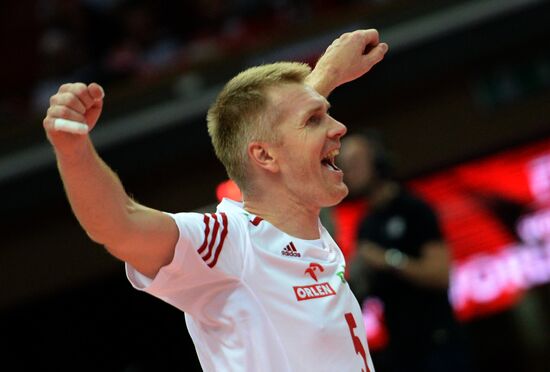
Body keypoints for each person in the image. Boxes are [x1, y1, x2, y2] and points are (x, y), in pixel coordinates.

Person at [42, 30, 388, 371]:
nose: (339, 127)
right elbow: (119, 223)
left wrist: (325, 76)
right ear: (265, 157)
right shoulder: (230, 242)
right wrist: (72, 149)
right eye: (315, 119)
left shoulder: (302, 228)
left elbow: (272, 126)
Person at [338, 129, 472, 372]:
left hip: (438, 342)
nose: (349, 172)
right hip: (402, 349)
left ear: (377, 160)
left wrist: (388, 260)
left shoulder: (413, 208)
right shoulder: (365, 225)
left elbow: (441, 275)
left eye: (355, 162)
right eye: (344, 165)